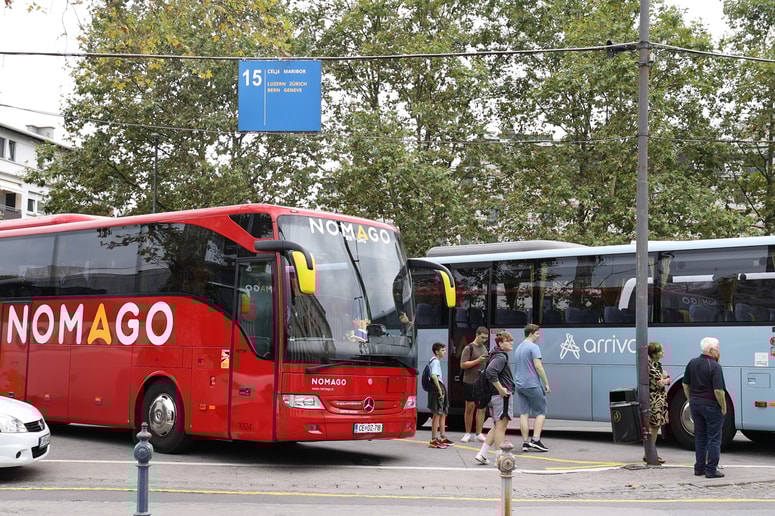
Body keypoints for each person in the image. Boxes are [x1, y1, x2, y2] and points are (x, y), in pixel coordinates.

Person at [682, 337, 727, 478]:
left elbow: (685, 385)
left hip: (695, 404)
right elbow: (718, 391)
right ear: (712, 350)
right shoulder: (715, 366)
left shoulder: (692, 362)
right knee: (714, 438)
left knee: (700, 437)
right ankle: (711, 469)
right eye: (718, 348)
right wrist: (723, 406)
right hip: (711, 405)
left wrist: (691, 399)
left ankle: (699, 468)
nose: (719, 351)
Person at [474, 331, 514, 465]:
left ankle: (482, 454)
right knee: (501, 427)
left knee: (497, 425)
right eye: (509, 341)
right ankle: (500, 458)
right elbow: (491, 372)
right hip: (502, 396)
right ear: (501, 343)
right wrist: (501, 389)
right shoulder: (501, 357)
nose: (511, 343)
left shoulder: (495, 354)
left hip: (495, 396)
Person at [514, 324, 551, 452]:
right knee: (541, 412)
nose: (538, 336)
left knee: (524, 413)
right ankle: (536, 439)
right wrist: (546, 383)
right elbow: (538, 366)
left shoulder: (519, 348)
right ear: (530, 333)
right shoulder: (534, 347)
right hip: (532, 384)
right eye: (537, 333)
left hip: (519, 384)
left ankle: (525, 442)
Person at [460, 326, 490, 443]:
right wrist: (478, 361)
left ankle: (479, 433)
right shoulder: (469, 348)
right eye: (482, 337)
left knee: (482, 408)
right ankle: (467, 433)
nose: (484, 340)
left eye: (486, 338)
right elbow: (463, 365)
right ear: (477, 335)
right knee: (470, 407)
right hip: (469, 381)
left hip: (482, 381)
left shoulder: (484, 348)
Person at [646, 341, 670, 464]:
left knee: (657, 427)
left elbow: (667, 379)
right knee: (654, 427)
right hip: (654, 400)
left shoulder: (657, 365)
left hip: (660, 399)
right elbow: (660, 381)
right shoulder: (651, 366)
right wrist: (665, 378)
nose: (663, 352)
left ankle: (651, 452)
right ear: (654, 354)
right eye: (661, 351)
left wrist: (665, 378)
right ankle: (650, 453)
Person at [428, 342, 452, 449]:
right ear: (437, 352)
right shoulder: (435, 362)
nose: (445, 352)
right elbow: (434, 376)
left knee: (442, 413)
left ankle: (442, 437)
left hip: (440, 387)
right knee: (437, 414)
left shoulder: (434, 361)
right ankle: (434, 439)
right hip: (437, 388)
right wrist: (440, 390)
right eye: (442, 350)